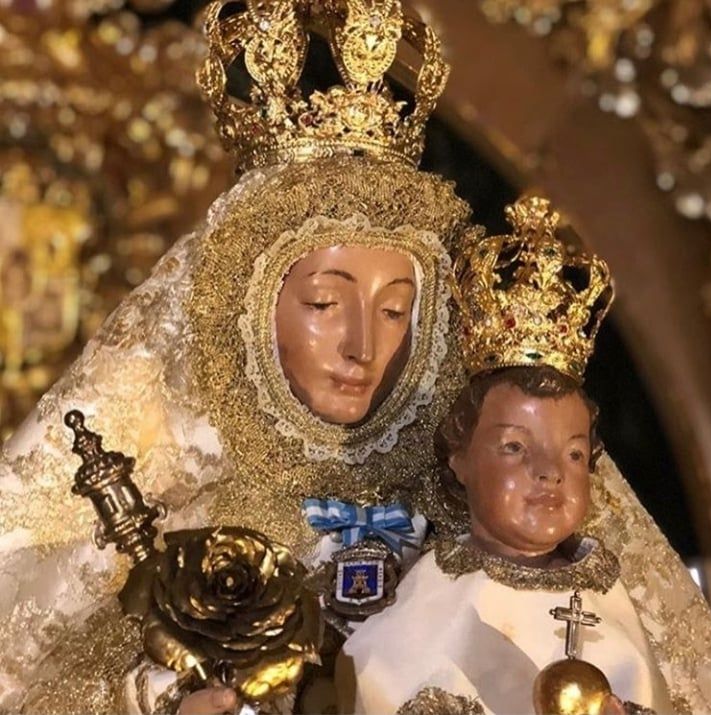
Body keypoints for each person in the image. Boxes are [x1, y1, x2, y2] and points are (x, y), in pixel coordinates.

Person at [0, 2, 473, 713]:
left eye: (395, 311)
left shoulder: (469, 509)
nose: (363, 346)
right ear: (250, 305)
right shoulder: (186, 530)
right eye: (324, 303)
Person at [339, 197, 711, 714]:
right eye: (515, 447)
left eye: (574, 454)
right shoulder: (427, 607)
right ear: (459, 459)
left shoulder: (622, 601)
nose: (549, 472)